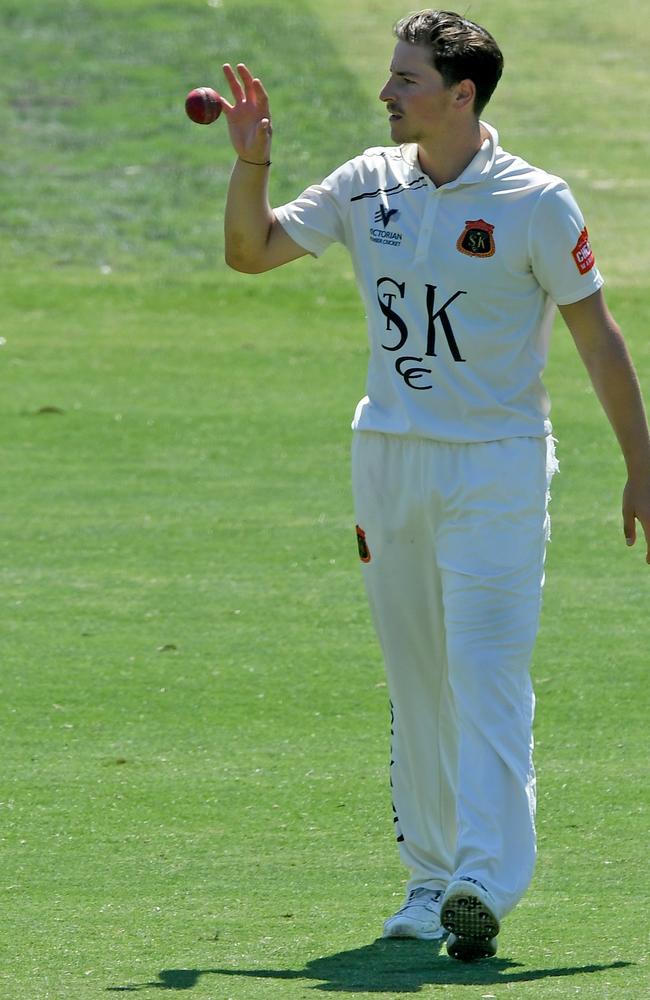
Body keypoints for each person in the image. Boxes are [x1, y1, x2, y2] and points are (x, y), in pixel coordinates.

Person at [220, 9, 650, 962]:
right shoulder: (364, 183)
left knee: (485, 673)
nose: (386, 93)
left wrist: (642, 464)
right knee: (417, 680)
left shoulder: (537, 201)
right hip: (388, 459)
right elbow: (249, 254)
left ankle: (485, 881)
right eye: (391, 75)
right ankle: (429, 881)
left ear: (463, 95)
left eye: (406, 80)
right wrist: (249, 160)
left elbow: (597, 336)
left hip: (495, 462)